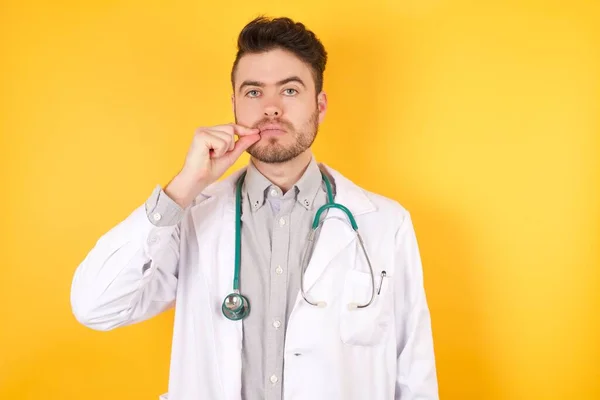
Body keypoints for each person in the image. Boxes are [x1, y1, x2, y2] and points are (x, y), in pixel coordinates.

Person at [70, 16, 439, 400]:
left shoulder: (385, 224)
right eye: (253, 93)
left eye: (290, 91)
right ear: (234, 104)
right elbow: (95, 306)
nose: (272, 109)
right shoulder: (193, 216)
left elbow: (414, 374)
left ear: (320, 105)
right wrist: (183, 188)